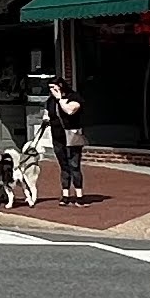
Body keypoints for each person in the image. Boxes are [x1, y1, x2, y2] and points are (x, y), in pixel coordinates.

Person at [44, 78, 87, 206]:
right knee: (63, 166)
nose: (51, 90)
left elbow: (69, 110)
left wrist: (59, 99)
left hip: (72, 137)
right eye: (50, 88)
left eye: (54, 87)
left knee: (74, 166)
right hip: (57, 138)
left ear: (60, 86)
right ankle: (65, 195)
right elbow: (47, 114)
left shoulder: (74, 97)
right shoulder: (50, 101)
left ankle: (79, 196)